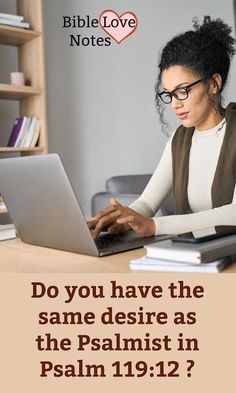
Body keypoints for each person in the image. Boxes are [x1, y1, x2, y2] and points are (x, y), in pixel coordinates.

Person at [88, 16, 236, 239]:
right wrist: (123, 218)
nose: (175, 103)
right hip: (197, 252)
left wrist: (155, 226)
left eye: (183, 90)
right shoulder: (180, 139)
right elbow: (148, 202)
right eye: (169, 94)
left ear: (214, 84)